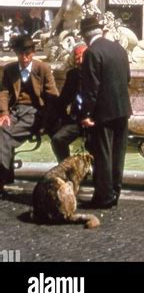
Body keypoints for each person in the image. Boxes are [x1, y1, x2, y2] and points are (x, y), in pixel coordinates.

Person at [79, 16, 132, 209]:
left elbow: (91, 89)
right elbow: (127, 78)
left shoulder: (91, 53)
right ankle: (115, 192)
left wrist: (85, 114)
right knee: (119, 154)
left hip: (103, 112)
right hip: (122, 110)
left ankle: (103, 196)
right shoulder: (119, 49)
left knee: (103, 155)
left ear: (85, 35)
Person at [0, 35, 58, 192]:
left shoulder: (42, 68)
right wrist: (4, 113)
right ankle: (5, 174)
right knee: (2, 130)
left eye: (27, 54)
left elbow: (52, 94)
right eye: (20, 55)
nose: (24, 58)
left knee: (4, 137)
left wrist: (47, 120)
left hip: (34, 112)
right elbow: (4, 92)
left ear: (33, 53)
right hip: (15, 110)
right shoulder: (10, 69)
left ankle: (2, 177)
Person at [50, 43, 87, 162]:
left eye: (83, 57)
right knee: (57, 139)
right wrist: (63, 119)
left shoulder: (98, 73)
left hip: (94, 121)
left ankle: (98, 174)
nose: (80, 61)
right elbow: (63, 100)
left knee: (95, 144)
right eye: (77, 58)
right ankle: (66, 168)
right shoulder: (72, 75)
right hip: (77, 121)